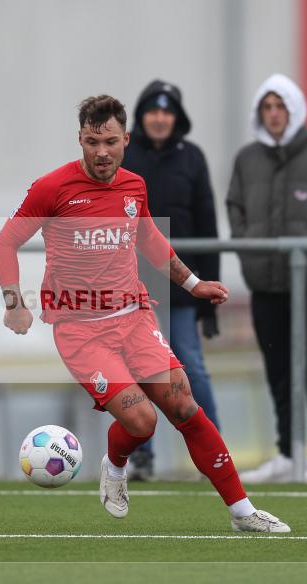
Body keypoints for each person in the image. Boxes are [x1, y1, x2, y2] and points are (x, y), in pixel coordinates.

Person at [0, 95, 290, 532]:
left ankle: (242, 512)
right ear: (80, 139)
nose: (101, 152)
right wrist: (14, 303)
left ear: (125, 140)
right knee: (142, 420)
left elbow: (150, 240)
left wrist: (194, 283)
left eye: (110, 141)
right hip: (81, 332)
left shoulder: (134, 186)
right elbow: (5, 243)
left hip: (133, 318)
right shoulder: (52, 188)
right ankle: (114, 466)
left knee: (185, 406)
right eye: (92, 141)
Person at [227, 73, 307, 484]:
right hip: (266, 286)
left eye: (280, 106)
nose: (273, 115)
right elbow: (236, 209)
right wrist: (250, 245)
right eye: (267, 107)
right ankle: (286, 451)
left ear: (294, 109)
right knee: (277, 369)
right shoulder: (247, 160)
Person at [122, 79, 221, 481]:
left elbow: (209, 225)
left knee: (191, 367)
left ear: (177, 118)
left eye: (167, 112)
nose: (160, 119)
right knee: (140, 369)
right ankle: (141, 454)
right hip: (136, 284)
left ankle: (214, 450)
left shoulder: (193, 158)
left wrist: (208, 290)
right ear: (142, 116)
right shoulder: (126, 157)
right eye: (153, 111)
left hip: (182, 282)